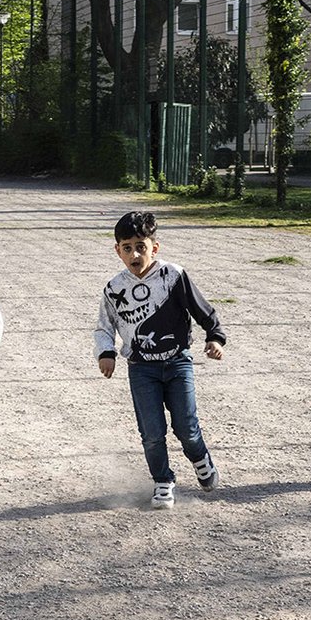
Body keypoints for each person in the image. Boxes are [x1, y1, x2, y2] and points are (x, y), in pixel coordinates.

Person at [95, 210, 227, 508]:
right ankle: (163, 481)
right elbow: (105, 326)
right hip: (141, 368)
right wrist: (106, 353)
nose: (135, 254)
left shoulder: (174, 276)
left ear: (155, 247)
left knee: (186, 427)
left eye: (141, 246)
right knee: (152, 433)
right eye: (127, 248)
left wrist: (215, 337)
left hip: (178, 362)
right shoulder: (114, 288)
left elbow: (203, 310)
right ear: (117, 251)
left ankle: (199, 456)